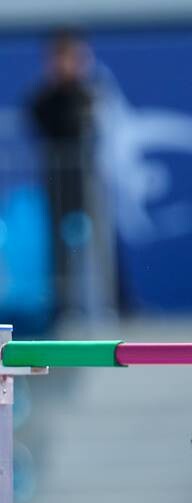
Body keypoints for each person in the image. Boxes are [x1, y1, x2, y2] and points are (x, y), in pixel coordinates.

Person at [26, 28, 98, 320]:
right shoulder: (43, 99)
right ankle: (62, 306)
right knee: (59, 250)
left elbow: (82, 127)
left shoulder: (87, 95)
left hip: (87, 186)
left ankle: (103, 304)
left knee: (95, 245)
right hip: (57, 186)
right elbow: (45, 125)